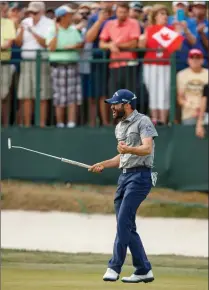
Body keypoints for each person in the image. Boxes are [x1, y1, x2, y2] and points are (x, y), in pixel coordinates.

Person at [89, 89, 158, 283]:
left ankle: (114, 267)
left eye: (116, 103)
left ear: (127, 104)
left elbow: (147, 148)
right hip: (124, 177)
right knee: (127, 225)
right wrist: (103, 163)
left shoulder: (143, 121)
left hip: (140, 177)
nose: (112, 107)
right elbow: (123, 157)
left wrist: (128, 149)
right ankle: (144, 269)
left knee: (122, 222)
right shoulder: (119, 127)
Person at [139, 4, 182, 125]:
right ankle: (155, 120)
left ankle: (163, 120)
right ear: (155, 16)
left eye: (166, 14)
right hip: (150, 64)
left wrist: (178, 33)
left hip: (165, 64)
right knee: (153, 91)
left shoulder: (171, 29)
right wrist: (141, 40)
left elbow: (177, 47)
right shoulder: (149, 29)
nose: (165, 16)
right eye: (162, 14)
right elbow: (142, 47)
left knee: (164, 91)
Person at [15, 1, 54, 127]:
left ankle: (41, 125)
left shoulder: (49, 23)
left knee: (42, 95)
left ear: (42, 12)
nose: (32, 15)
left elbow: (46, 43)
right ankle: (27, 126)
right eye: (30, 12)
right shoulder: (25, 22)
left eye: (35, 12)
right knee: (26, 95)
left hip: (41, 62)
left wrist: (32, 31)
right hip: (26, 62)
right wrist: (21, 30)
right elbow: (19, 43)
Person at [47, 5, 83, 128]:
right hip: (58, 67)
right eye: (69, 15)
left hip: (73, 65)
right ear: (62, 17)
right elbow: (51, 48)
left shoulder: (73, 29)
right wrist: (57, 33)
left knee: (72, 96)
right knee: (59, 97)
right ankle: (60, 124)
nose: (71, 17)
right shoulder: (52, 30)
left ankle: (71, 124)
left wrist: (73, 47)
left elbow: (80, 44)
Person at [100, 3, 140, 101]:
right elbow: (101, 44)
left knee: (129, 97)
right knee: (115, 97)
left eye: (124, 12)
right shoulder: (109, 24)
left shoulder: (134, 23)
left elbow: (134, 43)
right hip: (114, 65)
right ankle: (116, 117)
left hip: (129, 65)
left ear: (128, 12)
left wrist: (116, 45)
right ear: (116, 12)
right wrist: (110, 45)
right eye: (120, 12)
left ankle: (130, 117)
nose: (122, 14)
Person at [86, 1, 116, 126]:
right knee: (96, 93)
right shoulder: (93, 18)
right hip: (97, 60)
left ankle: (109, 122)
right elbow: (88, 38)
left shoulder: (116, 17)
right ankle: (95, 122)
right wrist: (100, 21)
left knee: (111, 92)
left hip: (114, 59)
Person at [177, 49, 208, 125]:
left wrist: (202, 111)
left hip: (206, 113)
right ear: (188, 60)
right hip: (189, 114)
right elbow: (180, 98)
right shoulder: (181, 75)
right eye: (192, 57)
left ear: (202, 60)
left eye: (198, 58)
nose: (195, 60)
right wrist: (192, 107)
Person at [168, 1, 196, 72]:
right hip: (169, 60)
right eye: (178, 6)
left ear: (186, 9)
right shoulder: (167, 20)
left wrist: (186, 29)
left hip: (185, 61)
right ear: (173, 8)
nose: (180, 8)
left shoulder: (191, 21)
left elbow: (193, 42)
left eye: (182, 6)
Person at [1, 1, 16, 126]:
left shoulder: (9, 23)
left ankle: (5, 125)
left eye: (3, 3)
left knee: (4, 95)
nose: (1, 6)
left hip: (4, 62)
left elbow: (8, 44)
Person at [192, 1, 209, 68]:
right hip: (188, 62)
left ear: (205, 9)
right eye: (197, 7)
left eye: (201, 7)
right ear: (193, 9)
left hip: (204, 63)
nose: (199, 10)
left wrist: (202, 33)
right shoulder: (186, 23)